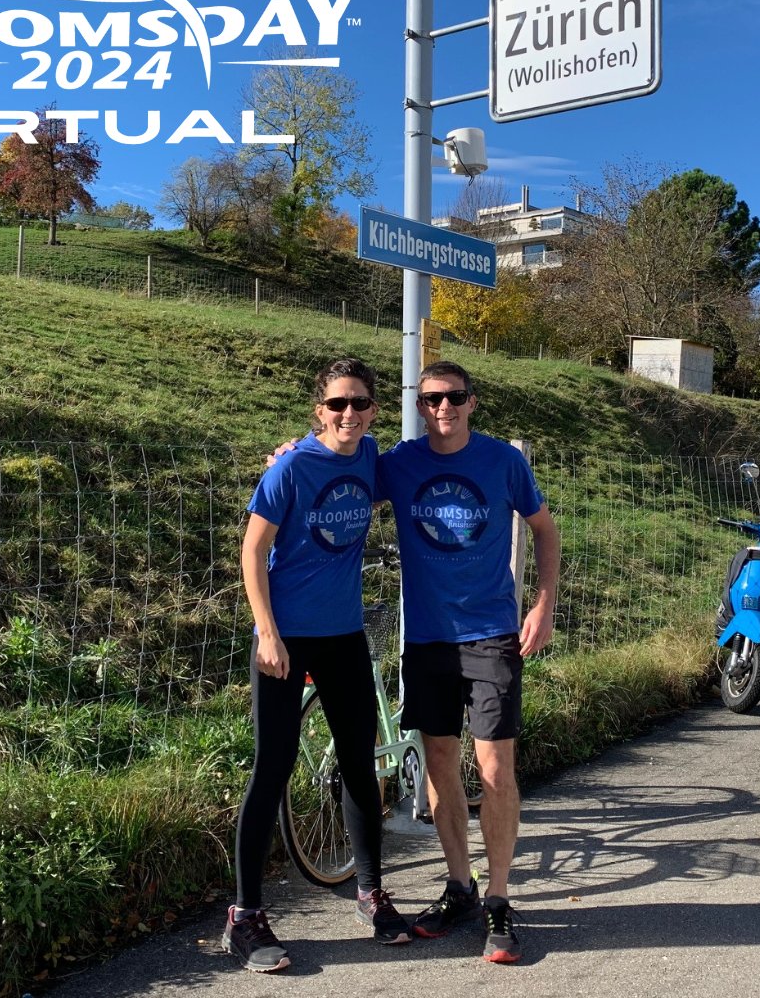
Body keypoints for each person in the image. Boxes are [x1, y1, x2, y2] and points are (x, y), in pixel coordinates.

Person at [222, 357, 412, 974]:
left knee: (359, 765)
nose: (348, 414)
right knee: (271, 769)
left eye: (359, 403)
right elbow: (252, 553)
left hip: (344, 636)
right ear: (318, 411)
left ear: (373, 409)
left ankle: (370, 893)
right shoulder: (292, 467)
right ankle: (244, 918)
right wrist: (269, 634)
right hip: (286, 638)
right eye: (337, 405)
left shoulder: (368, 454)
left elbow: (398, 477)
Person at [377, 360, 560, 964]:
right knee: (438, 762)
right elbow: (339, 470)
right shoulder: (401, 462)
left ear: (472, 402)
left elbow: (543, 528)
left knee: (495, 770)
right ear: (419, 404)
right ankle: (460, 885)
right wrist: (289, 454)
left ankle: (501, 901)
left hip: (491, 634)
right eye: (431, 399)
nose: (442, 408)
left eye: (453, 397)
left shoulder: (503, 461)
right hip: (428, 639)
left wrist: (542, 604)